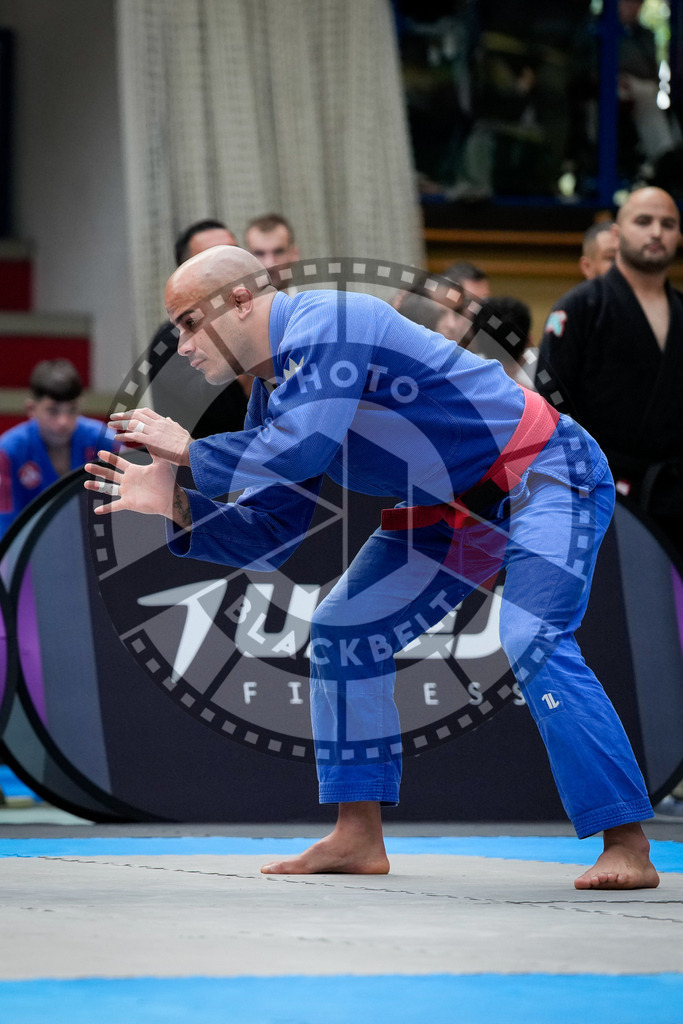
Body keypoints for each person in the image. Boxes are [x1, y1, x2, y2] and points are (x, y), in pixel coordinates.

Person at [86, 244, 659, 889]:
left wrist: (191, 450)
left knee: (531, 634)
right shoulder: (269, 400)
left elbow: (304, 450)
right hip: (453, 510)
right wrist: (177, 503)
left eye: (189, 321)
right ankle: (357, 835)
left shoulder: (330, 321)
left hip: (544, 471)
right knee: (343, 630)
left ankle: (627, 842)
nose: (181, 345)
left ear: (240, 299)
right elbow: (271, 536)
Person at [536, 187, 683, 563]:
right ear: (616, 235)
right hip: (599, 493)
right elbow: (549, 406)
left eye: (667, 224)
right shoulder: (580, 307)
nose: (656, 233)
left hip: (674, 495)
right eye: (643, 221)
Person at [148, 219, 251, 438]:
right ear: (186, 274)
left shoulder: (259, 317)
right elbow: (227, 409)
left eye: (234, 253)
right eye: (216, 258)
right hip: (198, 467)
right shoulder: (171, 342)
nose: (232, 264)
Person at [0, 359, 115, 539]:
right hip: (31, 556)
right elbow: (5, 528)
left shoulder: (105, 442)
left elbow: (124, 511)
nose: (64, 421)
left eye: (72, 410)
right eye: (53, 411)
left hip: (96, 548)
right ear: (31, 408)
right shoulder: (8, 452)